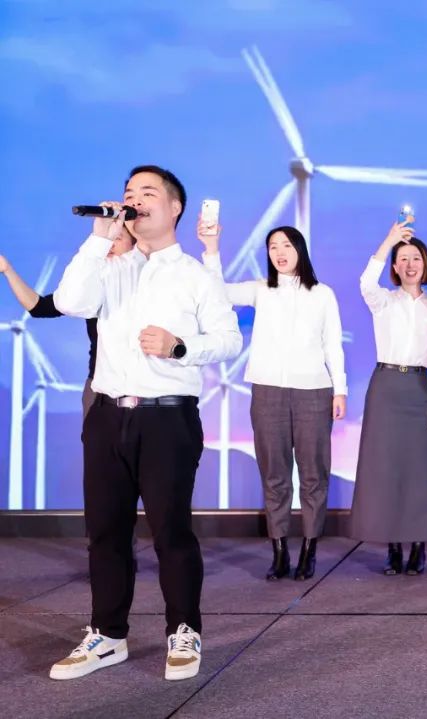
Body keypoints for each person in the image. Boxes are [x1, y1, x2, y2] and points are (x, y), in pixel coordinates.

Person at [49, 165, 241, 682]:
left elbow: (229, 340)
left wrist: (180, 347)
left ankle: (184, 630)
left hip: (167, 419)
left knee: (171, 532)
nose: (134, 200)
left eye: (147, 193)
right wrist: (99, 238)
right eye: (128, 192)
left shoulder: (197, 275)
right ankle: (108, 635)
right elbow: (68, 302)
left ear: (174, 207)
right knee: (105, 532)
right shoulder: (110, 267)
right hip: (107, 416)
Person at [201, 224, 347, 582]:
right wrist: (212, 248)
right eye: (272, 247)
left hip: (314, 391)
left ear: (300, 249)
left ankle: (309, 549)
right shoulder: (260, 289)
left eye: (286, 245)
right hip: (268, 392)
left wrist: (340, 390)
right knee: (275, 475)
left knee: (313, 474)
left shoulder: (322, 294)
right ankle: (279, 551)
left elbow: (333, 345)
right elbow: (216, 291)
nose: (279, 252)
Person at [349, 222, 427, 576]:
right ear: (394, 266)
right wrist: (388, 240)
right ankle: (392, 546)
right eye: (403, 258)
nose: (410, 264)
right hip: (385, 387)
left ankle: (418, 544)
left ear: (425, 264)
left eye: (415, 258)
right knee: (385, 469)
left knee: (418, 471)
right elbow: (365, 282)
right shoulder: (383, 301)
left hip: (418, 388)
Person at [0, 228, 135, 415]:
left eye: (117, 238)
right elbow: (39, 307)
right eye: (107, 239)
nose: (110, 245)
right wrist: (8, 270)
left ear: (135, 244)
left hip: (144, 388)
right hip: (99, 389)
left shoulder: (150, 284)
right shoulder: (92, 286)